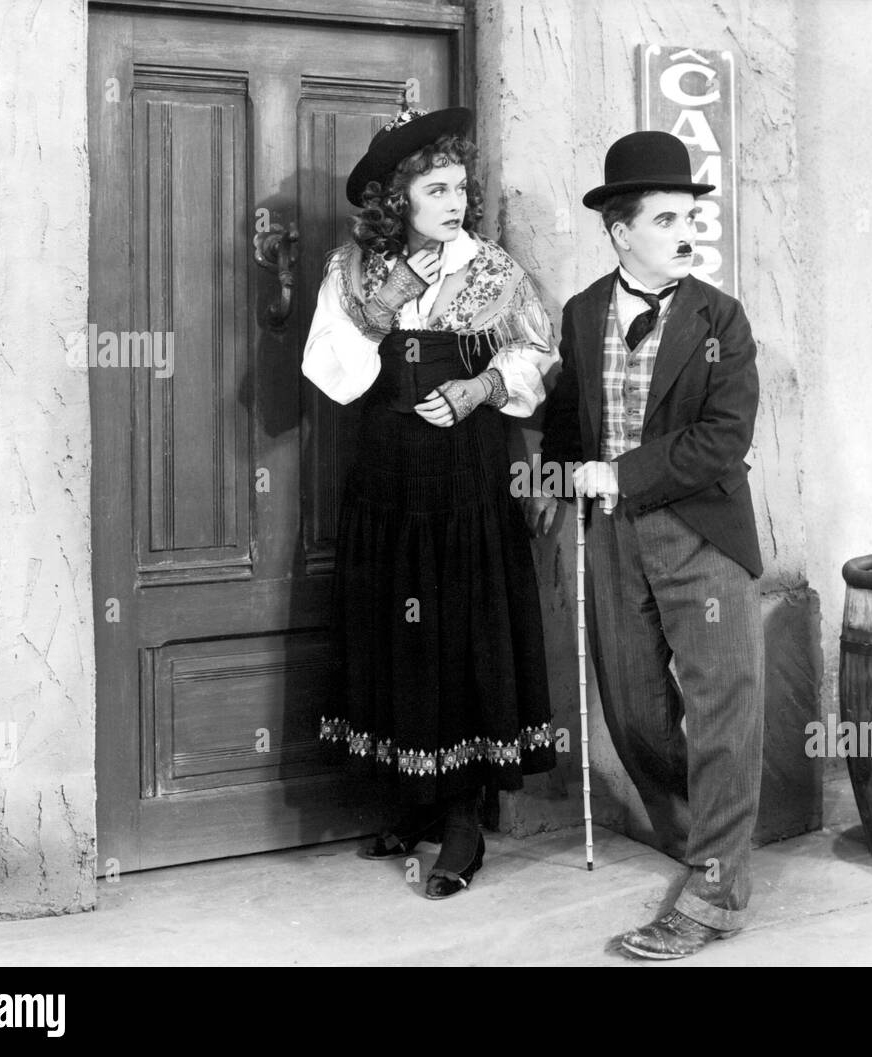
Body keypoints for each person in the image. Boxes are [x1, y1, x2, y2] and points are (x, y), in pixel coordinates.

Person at [302, 105, 558, 899]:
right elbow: (329, 371)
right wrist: (392, 296)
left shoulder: (492, 269)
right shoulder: (355, 269)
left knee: (459, 626)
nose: (455, 202)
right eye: (437, 189)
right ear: (397, 200)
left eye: (460, 188)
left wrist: (482, 385)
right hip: (386, 477)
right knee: (394, 625)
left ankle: (461, 819)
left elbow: (540, 354)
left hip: (467, 479)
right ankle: (409, 800)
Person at [537, 131, 765, 958]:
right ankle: (696, 832)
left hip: (703, 531)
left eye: (690, 215)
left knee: (723, 711)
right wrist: (556, 461)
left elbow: (723, 439)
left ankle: (717, 887)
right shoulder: (582, 312)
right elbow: (567, 431)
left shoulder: (721, 319)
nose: (685, 230)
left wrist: (620, 472)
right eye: (665, 216)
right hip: (614, 539)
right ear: (620, 230)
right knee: (632, 708)